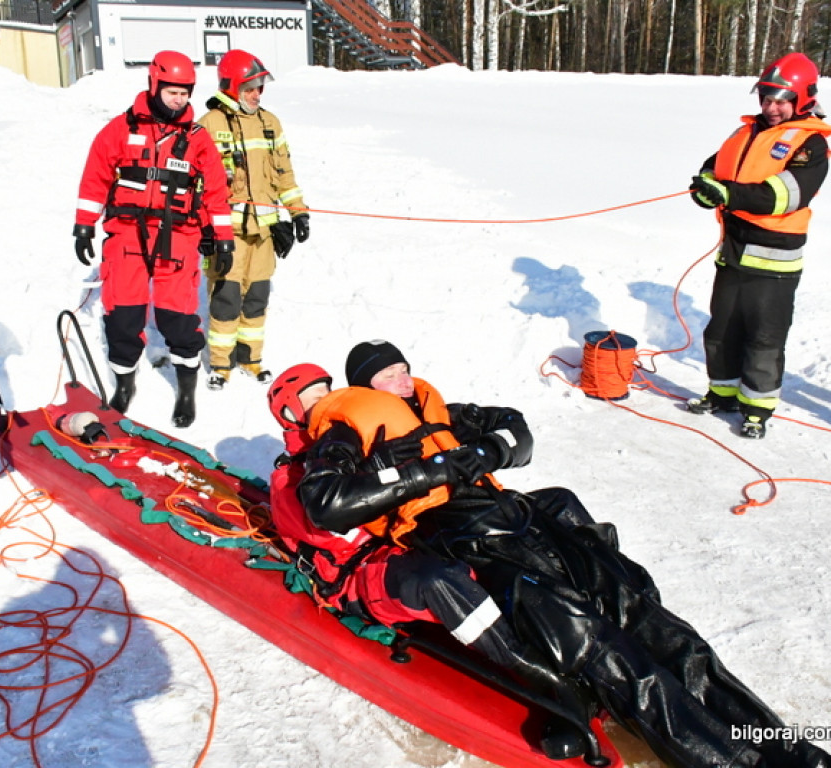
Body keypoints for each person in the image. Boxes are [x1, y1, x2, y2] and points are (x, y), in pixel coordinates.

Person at [293, 340, 830, 768]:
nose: (402, 380)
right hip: (468, 544)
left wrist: (487, 449)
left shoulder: (445, 413)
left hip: (527, 524)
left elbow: (516, 429)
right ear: (365, 388)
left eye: (403, 368)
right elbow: (327, 504)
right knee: (611, 654)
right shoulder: (346, 431)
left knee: (667, 634)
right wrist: (428, 472)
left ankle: (787, 748)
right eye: (387, 376)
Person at [267, 363, 592, 760]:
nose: (327, 403)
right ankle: (549, 684)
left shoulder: (355, 433)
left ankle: (595, 619)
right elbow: (328, 527)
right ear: (288, 413)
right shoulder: (291, 478)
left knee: (541, 512)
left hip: (411, 535)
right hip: (360, 571)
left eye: (328, 391)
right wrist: (375, 473)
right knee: (440, 580)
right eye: (314, 399)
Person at [73, 51, 234, 427]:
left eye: (185, 93)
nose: (179, 100)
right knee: (123, 316)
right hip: (126, 235)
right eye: (173, 92)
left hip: (178, 236)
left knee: (178, 318)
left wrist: (222, 237)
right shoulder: (120, 129)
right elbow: (95, 176)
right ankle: (124, 386)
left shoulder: (197, 139)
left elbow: (215, 193)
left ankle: (186, 389)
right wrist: (84, 224)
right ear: (154, 84)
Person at [687, 52, 831, 439]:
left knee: (763, 337)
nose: (771, 108)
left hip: (774, 261)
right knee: (722, 330)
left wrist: (727, 194)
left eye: (781, 100)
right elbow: (713, 167)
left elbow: (783, 196)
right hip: (733, 250)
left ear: (802, 99)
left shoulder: (811, 144)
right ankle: (722, 395)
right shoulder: (746, 131)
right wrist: (704, 188)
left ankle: (756, 409)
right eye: (766, 99)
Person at [198, 50, 310, 390]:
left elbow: (284, 174)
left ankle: (250, 357)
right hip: (226, 233)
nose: (257, 95)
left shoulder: (270, 123)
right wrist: (205, 229)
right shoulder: (208, 125)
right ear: (231, 87)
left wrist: (297, 212)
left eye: (260, 88)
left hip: (263, 232)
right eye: (250, 88)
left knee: (257, 296)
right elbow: (197, 185)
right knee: (226, 297)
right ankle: (221, 363)